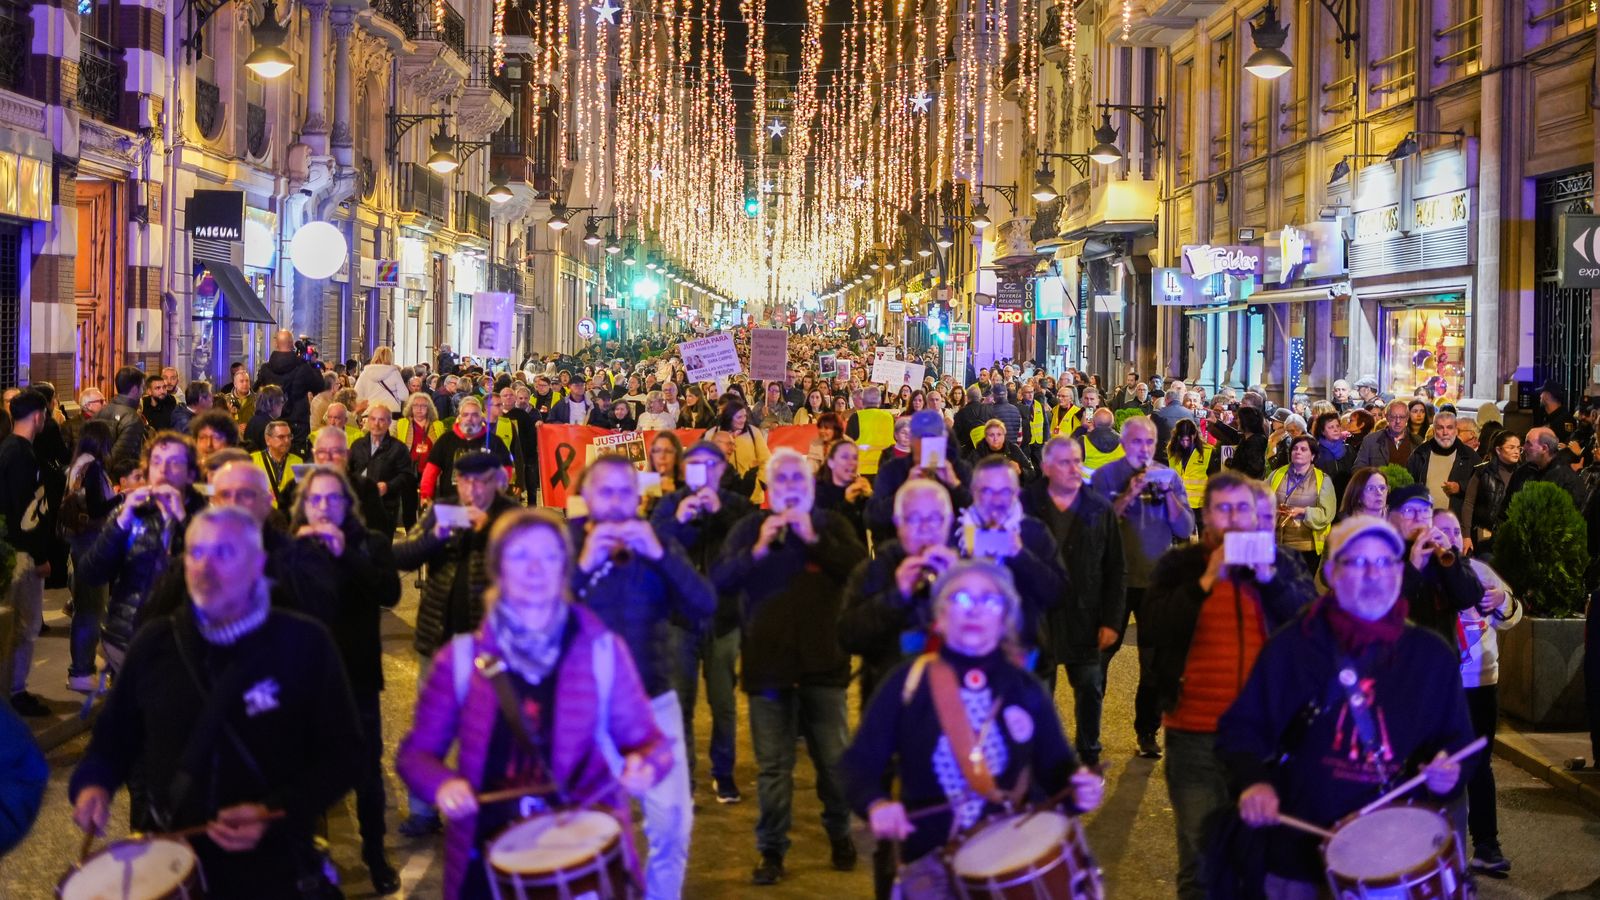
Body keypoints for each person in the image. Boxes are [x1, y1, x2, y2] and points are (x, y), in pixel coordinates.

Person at [69, 506, 362, 899]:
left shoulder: (304, 642)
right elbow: (113, 737)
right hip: (174, 868)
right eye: (196, 553)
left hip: (274, 870)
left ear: (257, 563)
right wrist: (94, 784)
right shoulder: (156, 642)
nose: (205, 567)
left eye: (224, 554)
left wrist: (277, 811)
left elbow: (346, 755)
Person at [395, 508, 671, 900]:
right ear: (497, 569)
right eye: (520, 556)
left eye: (549, 556)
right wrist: (442, 784)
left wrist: (646, 765)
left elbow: (652, 744)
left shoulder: (602, 651)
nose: (535, 568)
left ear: (565, 568)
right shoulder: (459, 661)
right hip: (487, 860)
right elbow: (415, 754)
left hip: (588, 859)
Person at [1216, 515, 1474, 899]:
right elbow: (1242, 729)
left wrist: (1449, 769)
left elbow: (1459, 740)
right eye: (1357, 562)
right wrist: (1254, 781)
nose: (1374, 574)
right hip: (1298, 857)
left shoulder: (1430, 655)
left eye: (1386, 562)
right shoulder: (1294, 646)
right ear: (1333, 573)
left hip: (1393, 858)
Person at [838, 560, 1105, 895]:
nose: (975, 611)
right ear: (941, 615)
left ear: (1005, 618)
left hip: (1010, 866)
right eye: (961, 599)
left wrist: (1078, 791)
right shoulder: (907, 684)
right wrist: (874, 802)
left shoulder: (1023, 687)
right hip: (929, 865)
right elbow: (858, 763)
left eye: (989, 601)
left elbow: (1056, 770)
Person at [1143, 474, 1316, 900]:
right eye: (1223, 509)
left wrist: (1267, 578)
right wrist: (1207, 580)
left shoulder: (1281, 564)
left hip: (1264, 740)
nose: (1234, 519)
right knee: (1200, 864)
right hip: (1195, 734)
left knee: (1260, 859)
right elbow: (1156, 629)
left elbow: (1310, 629)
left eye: (1242, 509)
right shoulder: (1180, 566)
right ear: (1207, 515)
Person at [712, 449, 868, 885]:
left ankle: (839, 833)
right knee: (774, 768)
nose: (790, 490)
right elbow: (721, 579)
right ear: (767, 487)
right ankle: (772, 850)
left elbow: (861, 570)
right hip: (767, 670)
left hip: (825, 669)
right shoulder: (749, 529)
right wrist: (758, 551)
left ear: (811, 485)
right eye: (780, 482)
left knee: (835, 764)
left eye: (797, 481)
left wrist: (813, 538)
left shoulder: (830, 524)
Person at [571, 454, 717, 897]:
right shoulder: (565, 544)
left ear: (639, 497)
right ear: (586, 497)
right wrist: (582, 568)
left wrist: (658, 553)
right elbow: (539, 624)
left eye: (624, 492)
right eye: (605, 491)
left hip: (654, 704)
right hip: (583, 713)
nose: (615, 502)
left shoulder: (658, 544)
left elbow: (704, 607)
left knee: (673, 823)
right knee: (587, 834)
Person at [286, 466, 402, 892]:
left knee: (366, 775)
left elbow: (389, 592)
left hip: (357, 681)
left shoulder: (368, 544)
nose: (322, 507)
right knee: (306, 775)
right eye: (314, 499)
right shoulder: (292, 549)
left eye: (332, 499)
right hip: (307, 685)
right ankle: (312, 858)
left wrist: (346, 553)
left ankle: (375, 855)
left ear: (347, 504)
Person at [392, 451, 520, 836]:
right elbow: (400, 555)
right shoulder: (442, 510)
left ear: (496, 482)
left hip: (490, 647)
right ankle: (423, 809)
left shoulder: (510, 517)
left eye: (481, 481)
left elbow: (528, 569)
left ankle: (485, 811)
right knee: (430, 727)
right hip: (440, 641)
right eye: (465, 481)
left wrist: (490, 534)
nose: (472, 489)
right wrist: (435, 539)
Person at [649, 440, 756, 804]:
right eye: (695, 464)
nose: (704, 471)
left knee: (724, 702)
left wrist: (721, 510)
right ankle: (684, 778)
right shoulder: (669, 505)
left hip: (724, 619)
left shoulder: (737, 505)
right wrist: (679, 520)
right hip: (680, 620)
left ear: (723, 469)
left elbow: (751, 545)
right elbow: (654, 549)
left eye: (711, 465)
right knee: (680, 702)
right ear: (683, 469)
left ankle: (723, 773)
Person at [1089, 415, 1196, 759]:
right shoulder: (1106, 475)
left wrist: (1168, 496)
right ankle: (1089, 732)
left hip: (1155, 584)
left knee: (1154, 664)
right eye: (1137, 442)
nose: (1144, 449)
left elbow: (1184, 527)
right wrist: (1129, 492)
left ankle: (1147, 731)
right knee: (1099, 661)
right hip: (1114, 583)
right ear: (1123, 443)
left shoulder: (1168, 475)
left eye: (1149, 443)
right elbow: (1095, 525)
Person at [1022, 436, 1124, 768]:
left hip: (1087, 616)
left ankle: (1089, 752)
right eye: (1065, 462)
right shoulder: (1024, 504)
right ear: (1047, 466)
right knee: (1037, 693)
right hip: (1038, 620)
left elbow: (1114, 568)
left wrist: (1112, 621)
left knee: (1090, 687)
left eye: (1078, 461)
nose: (1074, 468)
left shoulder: (1099, 507)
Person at [1432, 508, 1519, 874]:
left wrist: (1503, 601)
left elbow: (1511, 615)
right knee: (1436, 765)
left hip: (1481, 682)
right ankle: (1435, 847)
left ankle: (1486, 844)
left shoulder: (1481, 572)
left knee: (1480, 766)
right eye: (1442, 530)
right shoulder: (1422, 573)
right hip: (1440, 687)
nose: (1450, 536)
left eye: (1455, 529)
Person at [0, 390, 53, 715]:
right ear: (38, 416)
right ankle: (14, 692)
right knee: (23, 624)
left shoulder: (11, 449)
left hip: (15, 550)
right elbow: (27, 510)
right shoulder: (20, 455)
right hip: (22, 553)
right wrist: (40, 554)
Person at [62, 420, 119, 693]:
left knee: (86, 609)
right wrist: (122, 497)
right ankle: (81, 671)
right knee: (90, 611)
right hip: (90, 544)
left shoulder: (79, 464)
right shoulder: (93, 468)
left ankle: (82, 669)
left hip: (79, 543)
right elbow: (97, 509)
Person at [866, 410, 972, 536]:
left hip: (950, 545)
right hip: (903, 545)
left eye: (933, 438)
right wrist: (905, 489)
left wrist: (955, 485)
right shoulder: (893, 470)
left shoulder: (959, 469)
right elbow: (873, 519)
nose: (927, 445)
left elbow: (981, 515)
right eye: (921, 438)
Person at [419, 397, 514, 504]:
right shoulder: (446, 440)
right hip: (451, 503)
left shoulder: (494, 441)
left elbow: (506, 468)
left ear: (482, 418)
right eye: (465, 415)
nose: (469, 418)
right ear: (459, 418)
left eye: (474, 415)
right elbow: (432, 469)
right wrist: (425, 494)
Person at [1267, 435, 1337, 573]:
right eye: (1295, 449)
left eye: (1304, 449)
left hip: (1306, 547)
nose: (1298, 452)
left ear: (1312, 456)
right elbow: (1261, 501)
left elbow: (1327, 514)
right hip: (1276, 544)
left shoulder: (1323, 480)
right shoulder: (1276, 474)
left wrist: (1303, 511)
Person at [350, 402, 414, 531]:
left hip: (386, 507)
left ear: (389, 423)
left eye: (381, 420)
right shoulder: (357, 445)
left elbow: (406, 475)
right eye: (373, 419)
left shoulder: (399, 448)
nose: (376, 424)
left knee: (381, 547)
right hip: (359, 506)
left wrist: (388, 486)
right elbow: (349, 471)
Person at [254, 328, 324, 444]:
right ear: (292, 345)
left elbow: (257, 389)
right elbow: (319, 386)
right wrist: (312, 363)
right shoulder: (303, 367)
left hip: (273, 421)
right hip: (298, 423)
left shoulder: (265, 369)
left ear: (276, 344)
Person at [1500, 426, 1586, 519]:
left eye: (1529, 444)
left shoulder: (1568, 480)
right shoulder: (1521, 472)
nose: (1523, 448)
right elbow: (1505, 510)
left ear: (1544, 448)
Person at [1406, 410, 1479, 516]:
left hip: (1456, 522)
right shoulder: (1420, 454)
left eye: (1449, 427)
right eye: (1440, 428)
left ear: (1456, 431)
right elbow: (1408, 486)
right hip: (1424, 521)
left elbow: (1482, 486)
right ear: (1434, 430)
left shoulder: (1470, 456)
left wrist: (1461, 487)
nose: (1445, 433)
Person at [1461, 431, 1521, 554]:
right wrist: (1466, 535)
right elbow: (1468, 503)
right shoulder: (1482, 471)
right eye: (1511, 447)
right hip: (1485, 535)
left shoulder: (1523, 473)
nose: (1516, 451)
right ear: (1498, 450)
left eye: (1519, 448)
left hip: (1512, 538)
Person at [394, 392, 445, 528]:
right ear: (410, 407)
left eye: (423, 405)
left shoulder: (437, 425)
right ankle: (410, 534)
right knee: (408, 505)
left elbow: (441, 447)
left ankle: (426, 534)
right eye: (416, 405)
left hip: (430, 470)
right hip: (408, 470)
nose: (419, 408)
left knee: (428, 504)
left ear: (429, 408)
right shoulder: (401, 423)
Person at [814, 439, 871, 543]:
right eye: (845, 457)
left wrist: (871, 497)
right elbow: (825, 530)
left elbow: (879, 526)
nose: (851, 463)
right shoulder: (818, 491)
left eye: (855, 458)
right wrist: (847, 503)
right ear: (831, 462)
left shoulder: (858, 490)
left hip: (858, 556)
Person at [95, 365, 149, 470]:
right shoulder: (133, 419)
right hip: (119, 480)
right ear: (134, 390)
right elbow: (121, 458)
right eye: (142, 387)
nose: (143, 392)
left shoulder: (100, 411)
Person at [1355, 399, 1420, 470]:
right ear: (1386, 417)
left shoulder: (1417, 441)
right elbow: (1358, 469)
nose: (1398, 421)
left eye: (1402, 417)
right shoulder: (1370, 440)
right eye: (1393, 417)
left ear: (1407, 418)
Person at [969, 418, 1036, 481]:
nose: (995, 439)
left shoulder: (1013, 449)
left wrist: (1021, 471)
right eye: (991, 435)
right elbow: (966, 477)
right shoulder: (977, 453)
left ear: (1004, 435)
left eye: (999, 434)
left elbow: (1032, 474)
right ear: (986, 437)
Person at [355, 346, 411, 413]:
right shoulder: (394, 373)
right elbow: (404, 396)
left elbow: (357, 395)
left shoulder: (365, 373)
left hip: (372, 411)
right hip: (391, 412)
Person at [242, 385, 286, 453]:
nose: (283, 406)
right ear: (273, 404)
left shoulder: (253, 420)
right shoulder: (269, 425)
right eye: (282, 402)